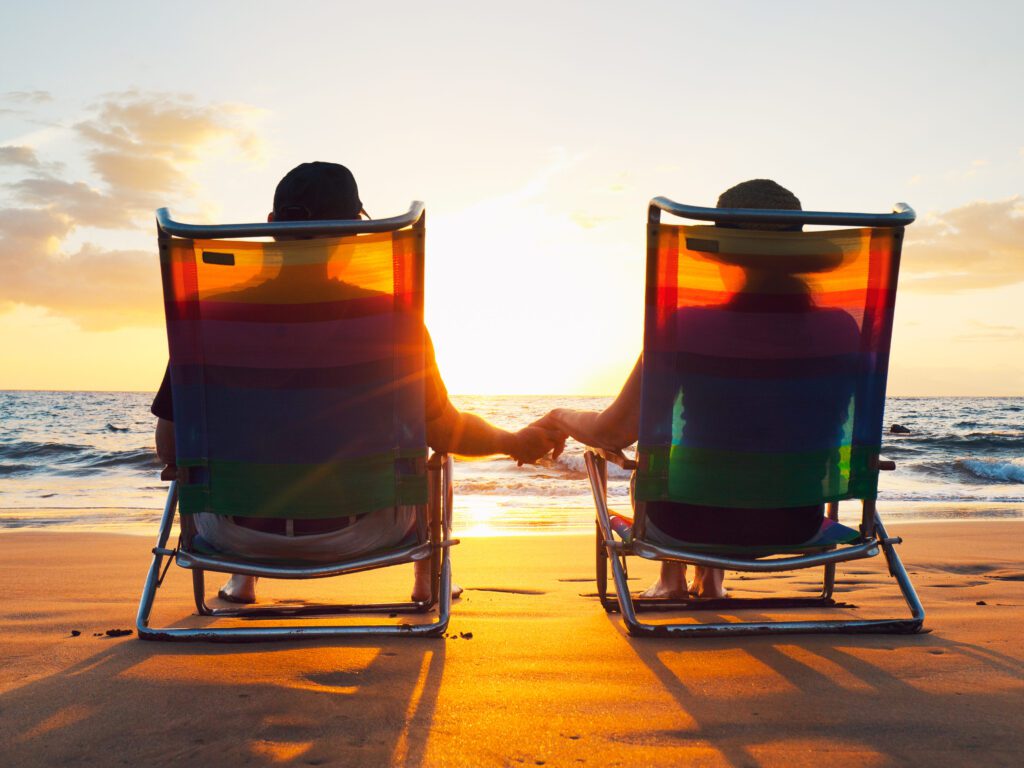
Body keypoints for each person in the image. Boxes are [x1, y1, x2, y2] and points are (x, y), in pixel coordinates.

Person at [153, 161, 564, 604]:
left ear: (272, 226)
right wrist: (514, 441)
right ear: (354, 233)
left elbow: (171, 448)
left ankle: (243, 579)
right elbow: (444, 431)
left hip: (233, 536)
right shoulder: (391, 320)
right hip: (368, 531)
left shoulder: (209, 322)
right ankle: (426, 581)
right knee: (427, 452)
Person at [534, 179, 858, 599]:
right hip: (796, 523)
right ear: (798, 259)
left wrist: (560, 417)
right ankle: (710, 578)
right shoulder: (843, 330)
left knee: (667, 461)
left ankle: (672, 579)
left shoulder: (687, 327)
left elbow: (613, 434)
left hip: (685, 526)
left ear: (723, 257)